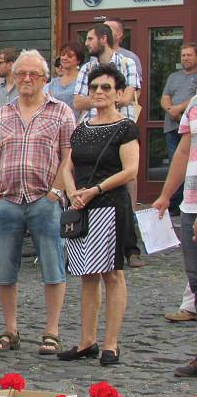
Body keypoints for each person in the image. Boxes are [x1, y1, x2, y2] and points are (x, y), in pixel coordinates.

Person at [0, 49, 75, 356]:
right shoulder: (3, 113)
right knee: (4, 270)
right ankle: (10, 329)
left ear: (44, 79)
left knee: (53, 266)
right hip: (7, 200)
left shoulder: (61, 112)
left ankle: (52, 331)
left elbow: (68, 157)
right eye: (20, 73)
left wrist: (55, 193)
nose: (25, 79)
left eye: (32, 74)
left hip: (43, 200)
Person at [58, 65, 139, 366]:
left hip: (111, 206)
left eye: (106, 88)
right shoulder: (81, 127)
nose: (99, 93)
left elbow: (130, 169)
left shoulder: (125, 127)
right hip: (83, 207)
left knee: (112, 274)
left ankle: (111, 343)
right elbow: (68, 165)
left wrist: (95, 189)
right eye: (94, 88)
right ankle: (86, 341)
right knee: (87, 275)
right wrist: (72, 191)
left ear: (119, 94)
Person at [74, 24, 143, 269]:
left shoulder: (128, 63)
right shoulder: (86, 68)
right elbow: (78, 101)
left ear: (104, 39)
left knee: (125, 188)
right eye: (95, 87)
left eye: (90, 38)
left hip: (119, 131)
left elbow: (128, 97)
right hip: (92, 131)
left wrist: (99, 99)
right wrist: (104, 98)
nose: (87, 43)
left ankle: (130, 244)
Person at [152, 92, 197, 376]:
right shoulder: (194, 103)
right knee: (195, 282)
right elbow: (183, 150)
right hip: (190, 204)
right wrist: (166, 194)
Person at [160, 42, 197, 215]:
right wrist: (170, 109)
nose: (185, 58)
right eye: (183, 55)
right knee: (175, 163)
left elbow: (194, 99)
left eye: (189, 55)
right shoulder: (173, 77)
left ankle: (185, 202)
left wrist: (179, 109)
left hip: (191, 127)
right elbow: (165, 97)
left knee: (190, 164)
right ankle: (173, 204)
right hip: (172, 126)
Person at [47, 42, 84, 114]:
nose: (65, 58)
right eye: (63, 55)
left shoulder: (83, 81)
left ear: (78, 60)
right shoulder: (53, 83)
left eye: (69, 56)